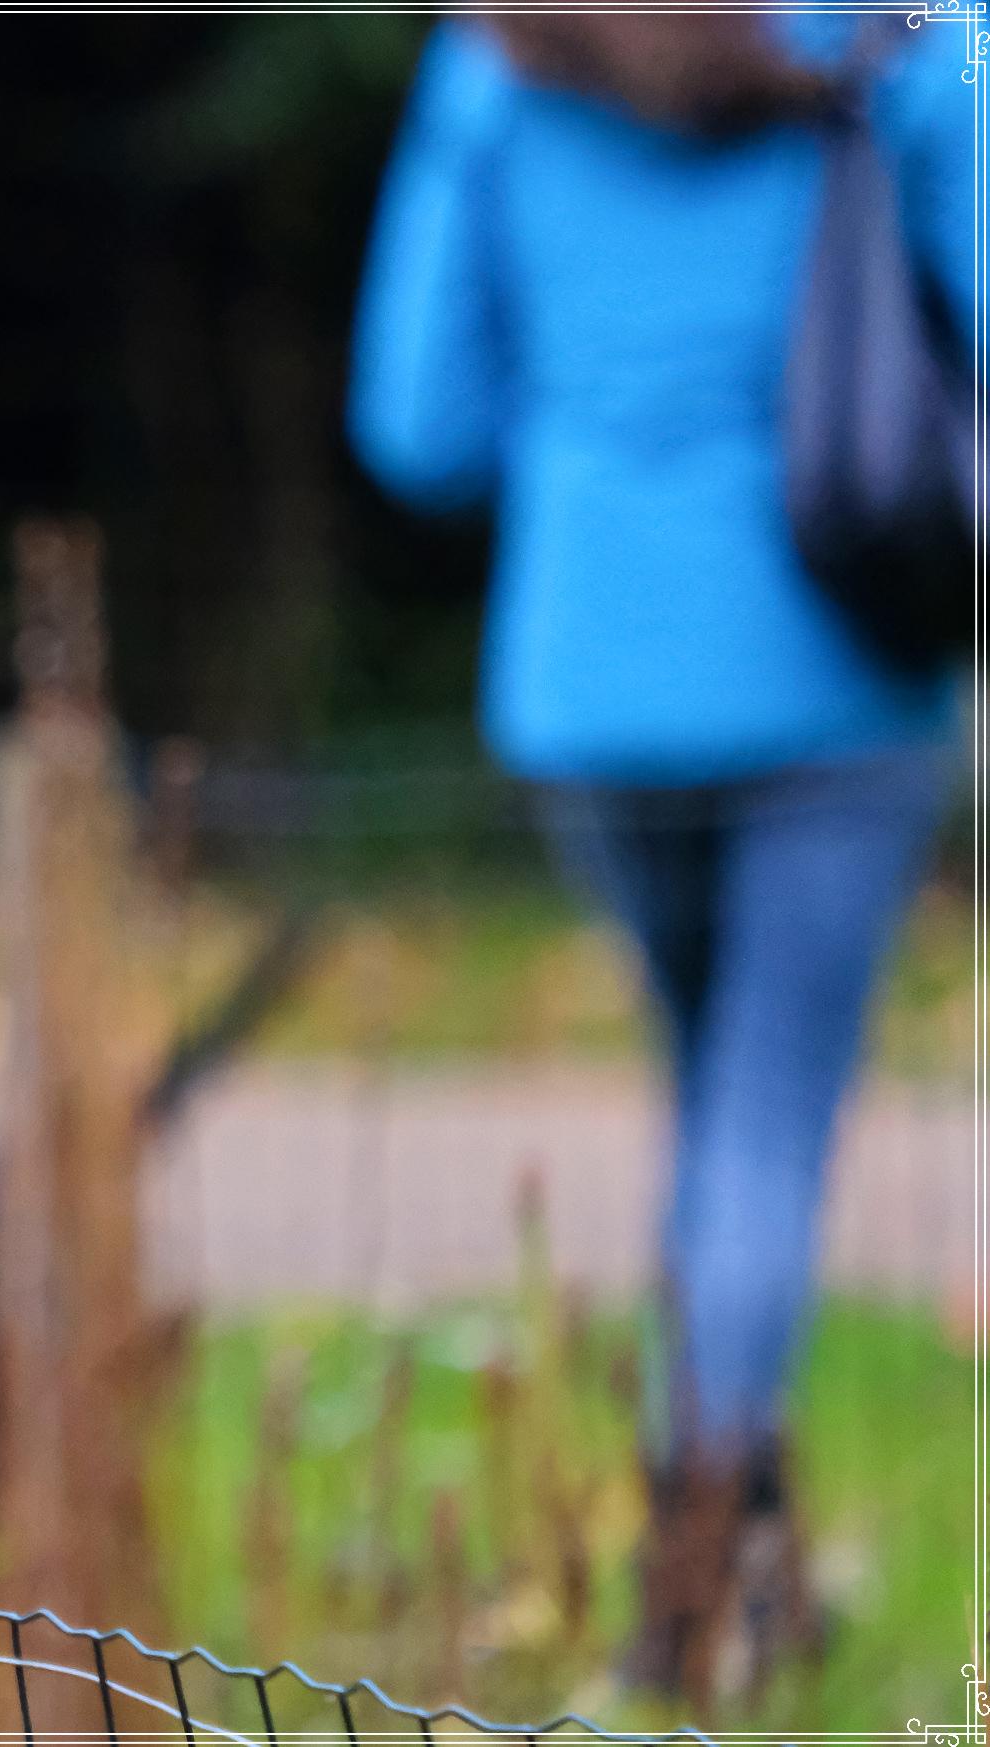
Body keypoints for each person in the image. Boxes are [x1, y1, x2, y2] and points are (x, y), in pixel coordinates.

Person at [348, 12, 968, 1709]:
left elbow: (418, 423)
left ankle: (731, 1571)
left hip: (593, 672)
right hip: (836, 665)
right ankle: (695, 1590)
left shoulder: (500, 61)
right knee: (761, 1127)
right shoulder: (911, 43)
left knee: (714, 1113)